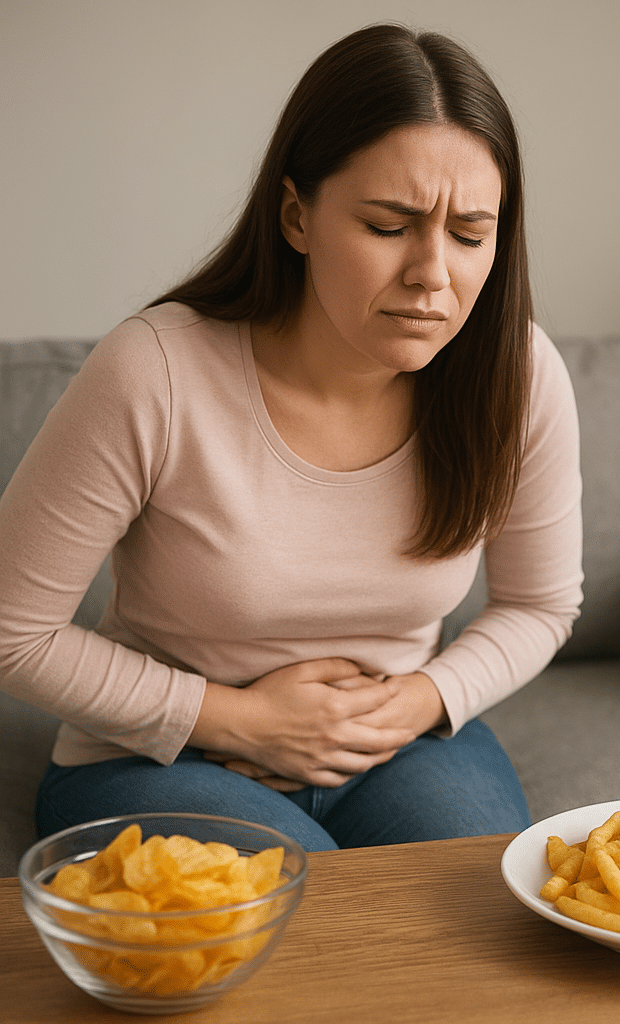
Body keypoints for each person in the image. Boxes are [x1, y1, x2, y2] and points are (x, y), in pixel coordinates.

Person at [0, 24, 583, 852]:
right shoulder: (156, 370)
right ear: (296, 215)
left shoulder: (516, 373)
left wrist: (421, 700)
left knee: (478, 935)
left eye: (469, 234)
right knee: (300, 941)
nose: (433, 274)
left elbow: (542, 603)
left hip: (397, 747)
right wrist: (241, 720)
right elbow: (13, 628)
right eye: (389, 226)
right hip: (159, 759)